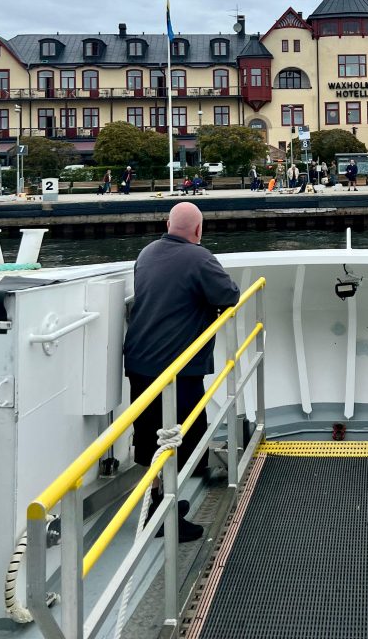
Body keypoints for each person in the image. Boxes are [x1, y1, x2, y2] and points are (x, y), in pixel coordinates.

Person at [123, 203, 240, 542]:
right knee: (183, 436)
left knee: (150, 438)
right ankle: (165, 519)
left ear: (167, 224)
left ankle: (159, 505)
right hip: (176, 367)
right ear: (199, 230)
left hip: (140, 361)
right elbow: (229, 295)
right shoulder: (199, 258)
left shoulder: (146, 253)